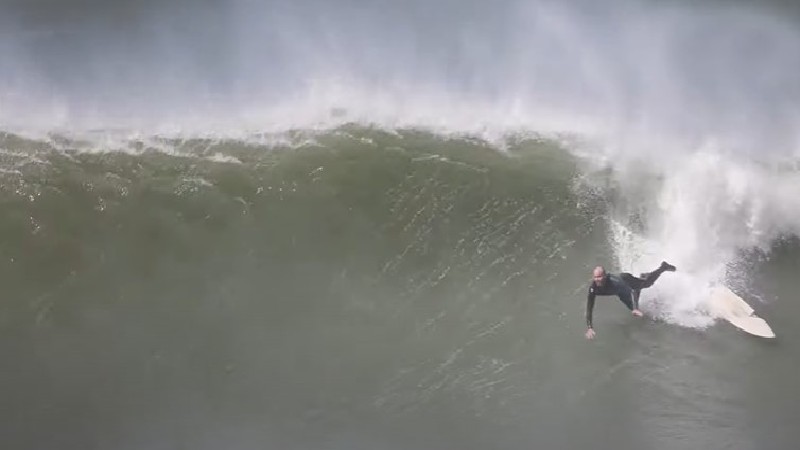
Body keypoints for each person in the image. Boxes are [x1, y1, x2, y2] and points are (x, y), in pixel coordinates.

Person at [584, 261, 676, 339]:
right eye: (595, 277)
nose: (597, 280)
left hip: (626, 280)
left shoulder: (615, 282)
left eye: (599, 277)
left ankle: (663, 267)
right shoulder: (593, 288)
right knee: (633, 308)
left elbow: (633, 291)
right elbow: (589, 307)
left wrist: (636, 308)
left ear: (605, 276)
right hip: (620, 293)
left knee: (647, 284)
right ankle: (643, 277)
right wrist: (590, 327)